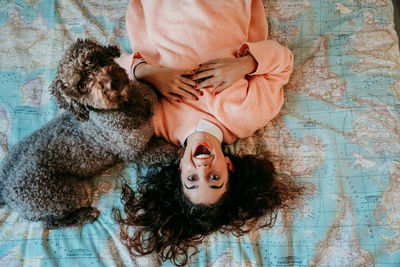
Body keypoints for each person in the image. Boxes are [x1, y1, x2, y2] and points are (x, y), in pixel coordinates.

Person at [112, 0, 302, 265]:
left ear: (179, 170)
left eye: (192, 179)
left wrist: (148, 73)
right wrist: (244, 65)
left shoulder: (154, 122)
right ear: (229, 167)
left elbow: (110, 70)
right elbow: (283, 62)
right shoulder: (249, 116)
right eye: (214, 177)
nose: (202, 166)